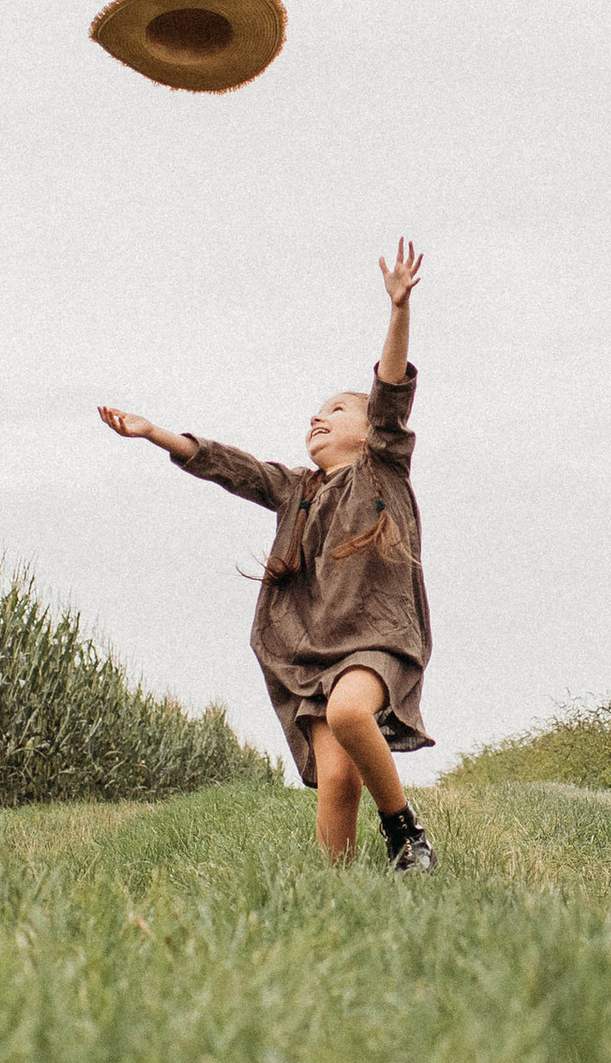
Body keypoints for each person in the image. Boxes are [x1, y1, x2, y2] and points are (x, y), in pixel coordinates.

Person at [100, 240, 436, 869]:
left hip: (375, 636)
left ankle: (404, 833)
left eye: (336, 411)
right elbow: (233, 467)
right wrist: (155, 434)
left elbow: (390, 390)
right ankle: (335, 895)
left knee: (349, 711)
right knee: (336, 782)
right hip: (309, 646)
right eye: (313, 413)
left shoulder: (381, 470)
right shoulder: (296, 490)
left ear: (368, 430)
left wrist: (397, 310)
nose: (318, 418)